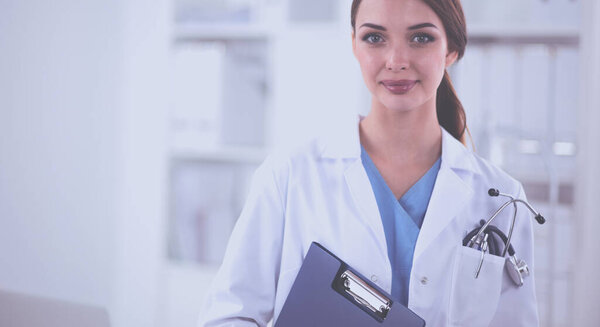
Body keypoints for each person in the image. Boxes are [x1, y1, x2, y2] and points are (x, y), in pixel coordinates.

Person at [199, 0, 539, 326]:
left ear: (451, 49)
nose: (396, 60)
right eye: (374, 38)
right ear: (354, 45)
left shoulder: (502, 200)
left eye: (421, 37)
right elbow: (229, 315)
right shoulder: (290, 175)